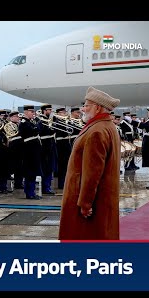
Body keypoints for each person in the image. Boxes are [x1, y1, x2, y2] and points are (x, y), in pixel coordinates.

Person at [59, 86, 121, 240]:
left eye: (86, 106)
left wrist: (85, 203)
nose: (83, 109)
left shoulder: (96, 131)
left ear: (98, 108)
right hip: (103, 198)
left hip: (90, 202)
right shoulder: (107, 126)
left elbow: (92, 172)